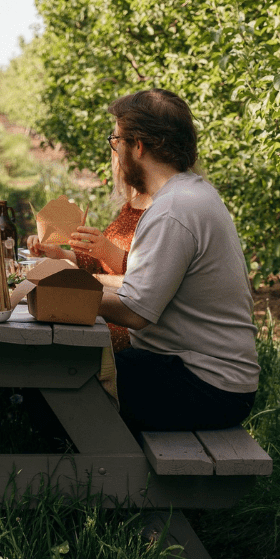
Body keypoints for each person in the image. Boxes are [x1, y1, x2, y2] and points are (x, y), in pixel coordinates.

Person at [97, 88, 259, 434]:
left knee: (70, 374)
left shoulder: (173, 210)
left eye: (117, 141)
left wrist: (61, 295)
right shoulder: (189, 193)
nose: (116, 151)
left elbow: (135, 312)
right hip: (213, 379)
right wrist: (93, 282)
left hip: (206, 386)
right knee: (86, 365)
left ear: (137, 145)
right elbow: (149, 284)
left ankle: (91, 478)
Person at [27, 152, 152, 351]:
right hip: (104, 302)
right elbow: (101, 262)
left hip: (122, 318)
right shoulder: (133, 202)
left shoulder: (162, 212)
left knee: (51, 331)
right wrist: (60, 254)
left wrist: (103, 256)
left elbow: (147, 276)